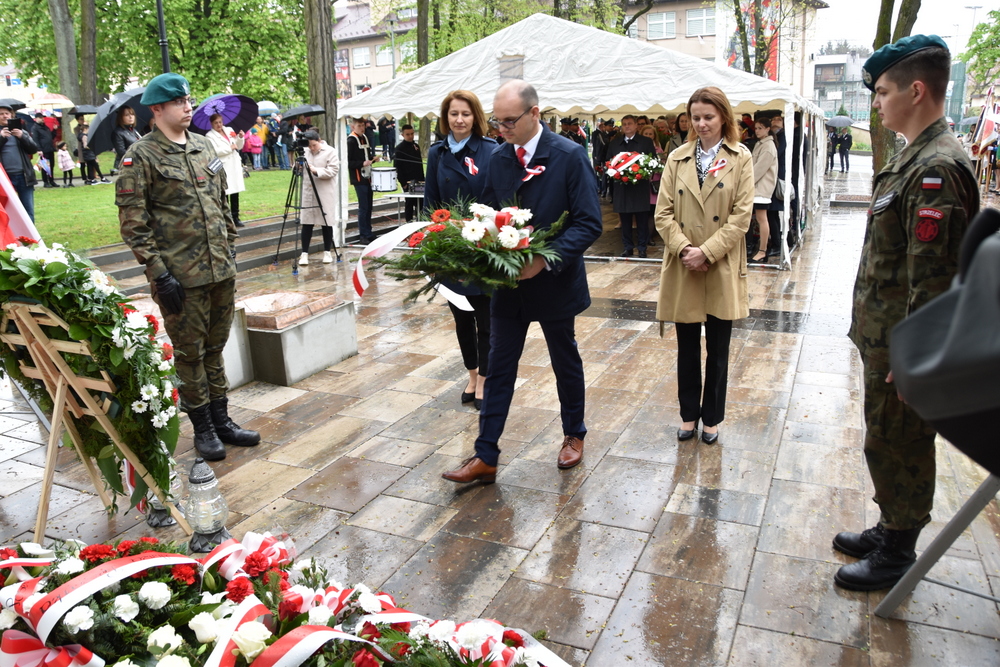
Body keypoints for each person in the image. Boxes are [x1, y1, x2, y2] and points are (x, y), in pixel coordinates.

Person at [835, 35, 980, 591]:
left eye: (882, 91)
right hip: (886, 334)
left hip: (903, 342)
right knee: (885, 434)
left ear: (916, 91)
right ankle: (890, 522)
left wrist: (915, 353)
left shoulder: (936, 167)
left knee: (901, 438)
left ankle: (899, 548)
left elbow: (936, 276)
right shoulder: (914, 156)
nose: (876, 102)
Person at [442, 79, 603, 484]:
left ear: (535, 113)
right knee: (498, 367)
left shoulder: (569, 156)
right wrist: (474, 250)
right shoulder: (499, 157)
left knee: (564, 361)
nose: (501, 129)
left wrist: (543, 261)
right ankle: (486, 455)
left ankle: (574, 433)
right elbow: (487, 214)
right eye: (497, 121)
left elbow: (588, 223)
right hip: (508, 285)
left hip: (554, 283)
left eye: (509, 121)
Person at [116, 72, 260, 462]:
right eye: (178, 102)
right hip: (180, 277)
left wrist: (230, 246)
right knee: (190, 354)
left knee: (215, 349)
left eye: (188, 100)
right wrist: (159, 273)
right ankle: (203, 428)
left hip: (219, 270)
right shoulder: (141, 156)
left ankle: (223, 421)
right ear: (157, 108)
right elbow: (133, 223)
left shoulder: (202, 145)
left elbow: (220, 202)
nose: (187, 106)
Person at [655, 86, 754, 447]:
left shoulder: (741, 157)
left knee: (718, 348)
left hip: (721, 265)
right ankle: (688, 414)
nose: (701, 124)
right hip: (684, 264)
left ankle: (711, 418)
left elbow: (742, 217)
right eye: (695, 117)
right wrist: (685, 249)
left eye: (708, 117)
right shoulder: (677, 157)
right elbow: (663, 213)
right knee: (686, 348)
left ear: (724, 117)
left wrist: (707, 252)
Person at [423, 90, 497, 410]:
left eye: (465, 114)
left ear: (475, 117)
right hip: (450, 247)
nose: (459, 120)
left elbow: (499, 200)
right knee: (462, 318)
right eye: (453, 113)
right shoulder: (437, 153)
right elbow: (431, 202)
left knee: (486, 320)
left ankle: (486, 380)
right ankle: (472, 375)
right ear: (446, 117)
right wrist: (432, 242)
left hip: (482, 246)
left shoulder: (491, 150)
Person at [606, 114, 656, 257]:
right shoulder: (615, 143)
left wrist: (641, 172)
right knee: (625, 220)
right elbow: (608, 162)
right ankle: (627, 247)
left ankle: (642, 247)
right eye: (624, 124)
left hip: (640, 187)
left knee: (642, 219)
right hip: (622, 188)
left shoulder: (645, 142)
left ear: (635, 125)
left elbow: (653, 161)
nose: (627, 126)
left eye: (629, 123)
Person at [297, 129, 339, 265]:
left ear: (319, 140)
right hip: (308, 192)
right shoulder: (304, 151)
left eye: (314, 145)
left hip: (324, 191)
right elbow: (296, 171)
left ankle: (327, 252)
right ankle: (304, 253)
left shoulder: (330, 151)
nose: (312, 148)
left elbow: (333, 170)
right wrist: (297, 166)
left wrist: (316, 170)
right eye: (309, 146)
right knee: (307, 222)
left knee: (326, 222)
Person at [205, 113, 246, 228]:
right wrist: (229, 148)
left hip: (234, 163)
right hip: (223, 165)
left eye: (220, 122)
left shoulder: (229, 130)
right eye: (216, 123)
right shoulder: (209, 136)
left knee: (235, 190)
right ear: (211, 124)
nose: (219, 125)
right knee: (225, 191)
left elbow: (238, 146)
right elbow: (214, 151)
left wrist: (240, 138)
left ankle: (236, 216)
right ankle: (226, 218)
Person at [0, 103, 39, 219]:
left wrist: (22, 137)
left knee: (28, 210)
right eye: (1, 114)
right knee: (7, 211)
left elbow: (33, 149)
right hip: (4, 178)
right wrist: (1, 138)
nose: (5, 116)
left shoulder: (21, 131)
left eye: (7, 113)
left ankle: (30, 231)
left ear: (11, 115)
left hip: (24, 176)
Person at [749, 116, 777, 263]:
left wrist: (746, 183)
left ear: (767, 129)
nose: (757, 131)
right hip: (756, 187)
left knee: (761, 219)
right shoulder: (762, 144)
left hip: (761, 188)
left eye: (760, 128)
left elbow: (759, 169)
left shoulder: (768, 146)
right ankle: (759, 249)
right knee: (758, 218)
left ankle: (762, 251)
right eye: (756, 128)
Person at [347, 117, 376, 244]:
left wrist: (372, 159)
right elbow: (348, 162)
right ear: (353, 127)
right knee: (363, 207)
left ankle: (368, 232)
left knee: (369, 206)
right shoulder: (351, 141)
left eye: (363, 125)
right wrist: (362, 163)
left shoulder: (364, 137)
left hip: (368, 177)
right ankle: (363, 234)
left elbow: (365, 155)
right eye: (359, 126)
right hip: (358, 179)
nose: (362, 128)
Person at [393, 124, 423, 222]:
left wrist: (423, 179)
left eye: (412, 134)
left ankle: (420, 221)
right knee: (409, 202)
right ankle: (409, 222)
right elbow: (397, 167)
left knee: (421, 203)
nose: (410, 136)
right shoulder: (399, 149)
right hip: (407, 180)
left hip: (419, 179)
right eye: (408, 134)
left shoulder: (416, 146)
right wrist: (403, 183)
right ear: (403, 135)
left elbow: (419, 165)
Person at [112, 106, 143, 174]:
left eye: (132, 114)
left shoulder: (134, 130)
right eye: (127, 115)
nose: (131, 117)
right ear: (121, 117)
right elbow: (122, 152)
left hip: (139, 164)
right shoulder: (118, 132)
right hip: (128, 166)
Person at [30, 113, 58, 188]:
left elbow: (50, 137)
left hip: (49, 148)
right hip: (43, 150)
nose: (42, 119)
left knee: (51, 165)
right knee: (45, 166)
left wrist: (54, 130)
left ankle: (51, 180)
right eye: (40, 117)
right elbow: (35, 140)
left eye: (42, 117)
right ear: (36, 119)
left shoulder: (46, 127)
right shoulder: (35, 128)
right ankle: (45, 182)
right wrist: (39, 149)